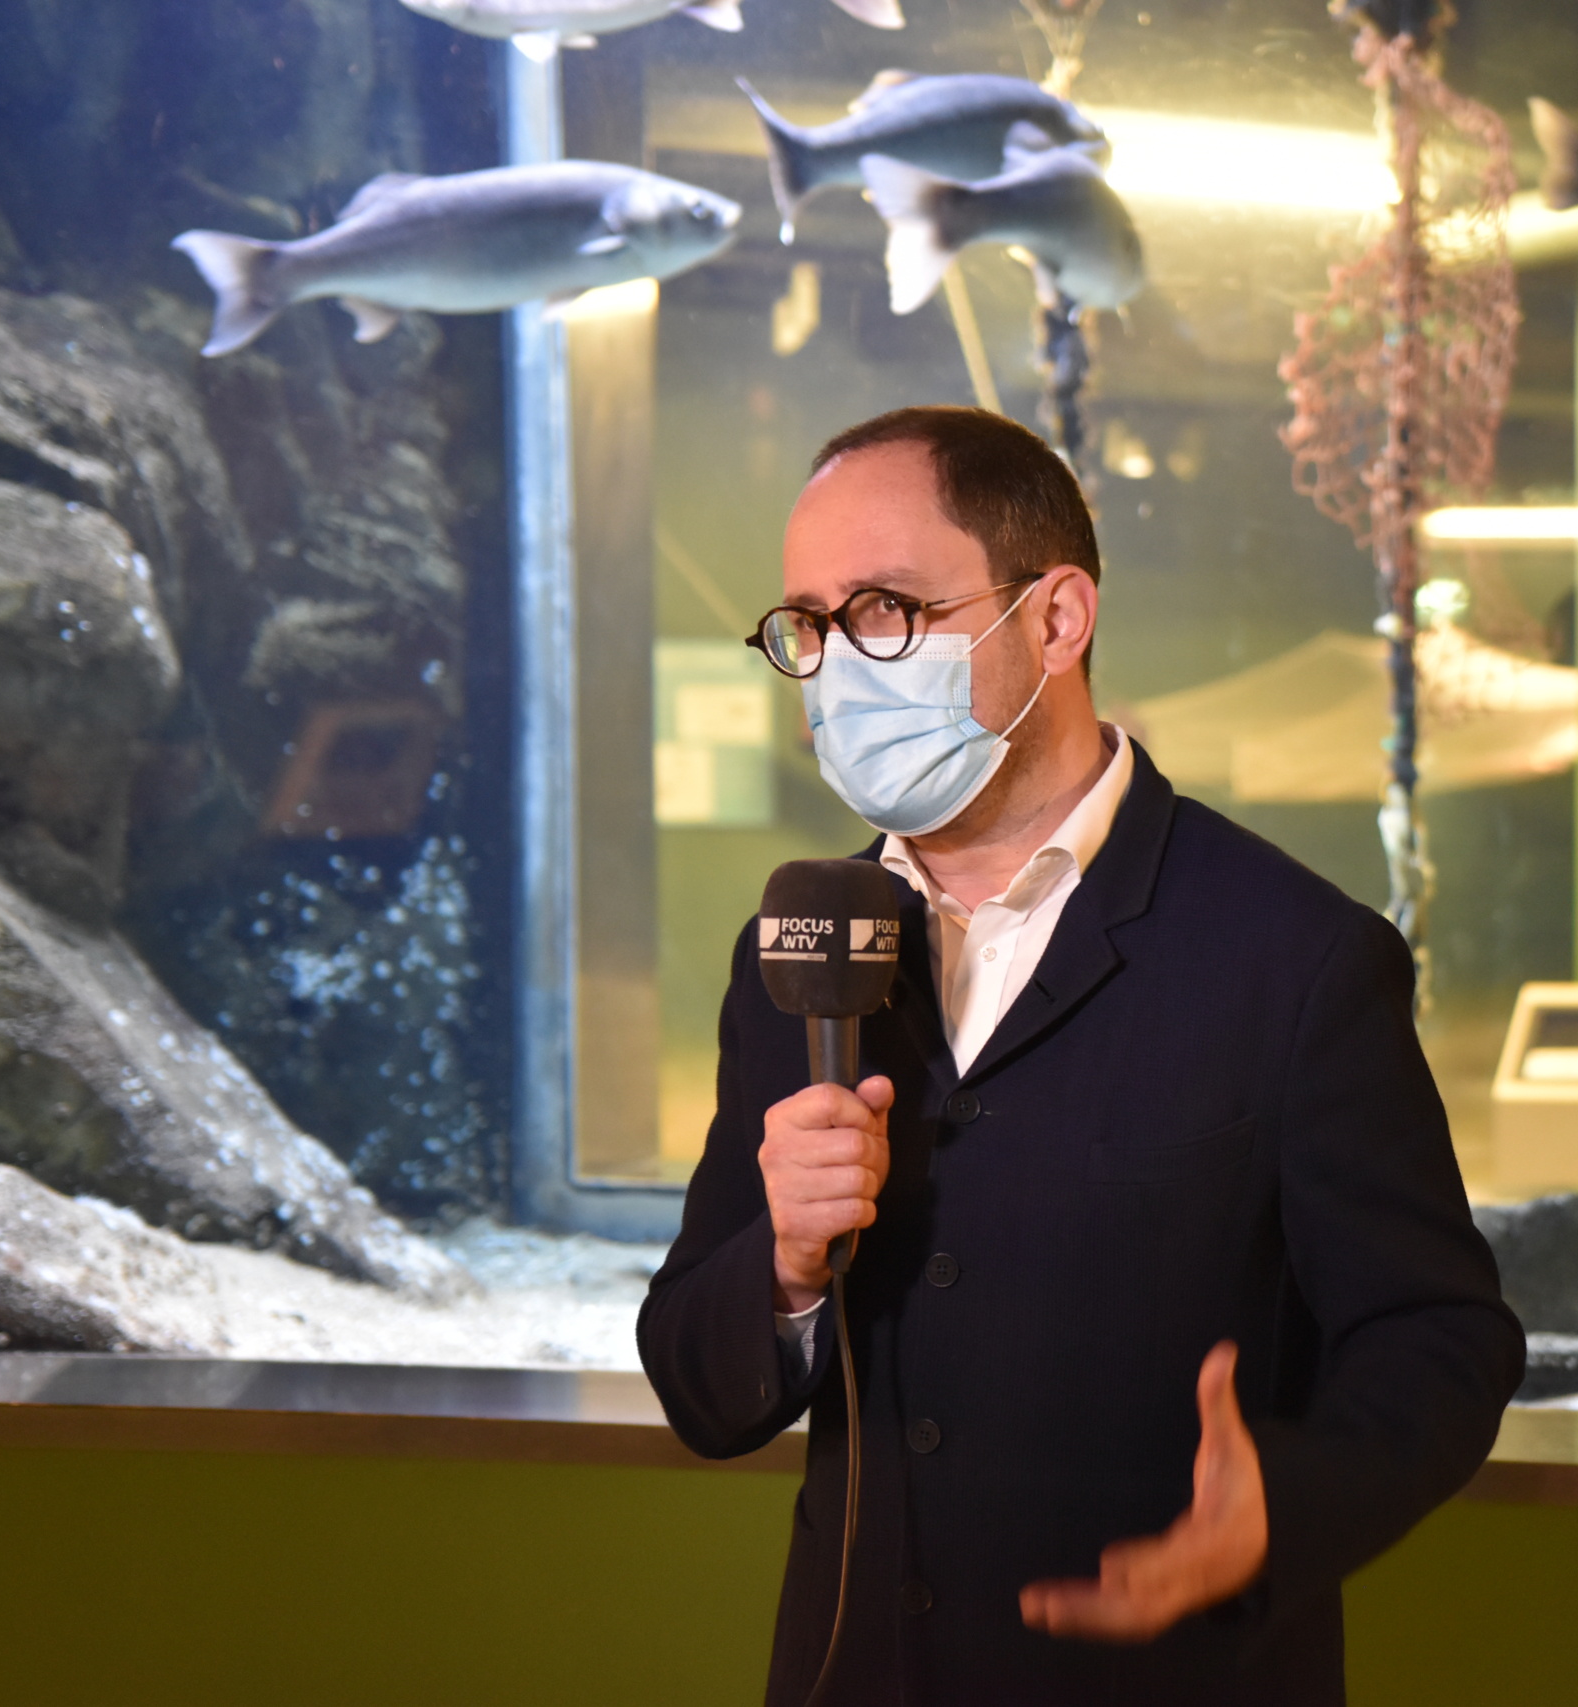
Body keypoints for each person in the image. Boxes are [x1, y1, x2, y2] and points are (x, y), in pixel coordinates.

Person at [638, 406, 1522, 1705]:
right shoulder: (799, 949)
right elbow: (702, 1392)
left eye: (886, 609)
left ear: (1056, 620)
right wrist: (779, 1268)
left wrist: (1280, 1504)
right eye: (810, 626)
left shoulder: (1296, 957)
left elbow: (1443, 1339)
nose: (837, 664)